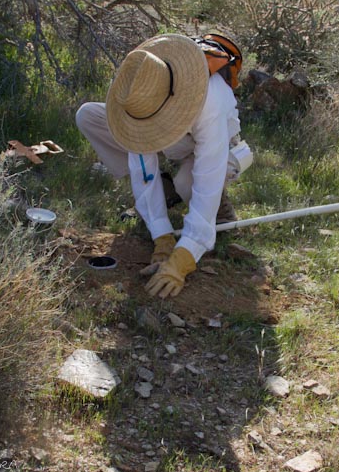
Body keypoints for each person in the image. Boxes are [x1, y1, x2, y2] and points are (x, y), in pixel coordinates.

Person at [76, 33, 242, 298]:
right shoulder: (138, 88)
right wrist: (162, 235)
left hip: (213, 145)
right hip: (171, 137)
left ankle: (216, 205)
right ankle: (165, 191)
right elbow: (142, 164)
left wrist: (186, 253)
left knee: (189, 184)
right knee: (89, 115)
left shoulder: (212, 102)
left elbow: (208, 172)